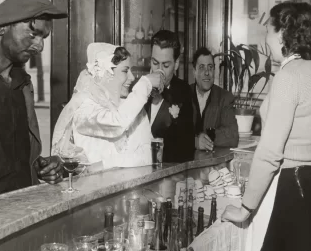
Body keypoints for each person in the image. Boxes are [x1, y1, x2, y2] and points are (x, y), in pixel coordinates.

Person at [222, 1, 311, 251]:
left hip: (290, 190)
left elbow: (270, 151)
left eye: (269, 29)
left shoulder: (288, 76)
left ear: (282, 34)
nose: (266, 38)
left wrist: (245, 208)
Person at [0, 0, 68, 198]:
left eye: (43, 38)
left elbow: (12, 155)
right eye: (33, 34)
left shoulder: (22, 84)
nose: (39, 47)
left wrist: (43, 166)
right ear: (2, 27)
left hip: (22, 212)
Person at [52, 43, 165, 170]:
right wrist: (145, 83)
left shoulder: (133, 107)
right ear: (106, 74)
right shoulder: (84, 109)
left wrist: (105, 164)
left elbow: (147, 157)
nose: (132, 77)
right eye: (125, 71)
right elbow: (116, 124)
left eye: (131, 70)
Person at [145, 30, 195, 163]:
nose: (159, 70)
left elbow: (186, 148)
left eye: (166, 65)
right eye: (155, 63)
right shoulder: (139, 87)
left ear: (176, 64)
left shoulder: (183, 92)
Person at [191, 47, 239, 150]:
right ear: (194, 71)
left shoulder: (225, 98)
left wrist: (205, 138)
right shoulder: (184, 94)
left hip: (213, 163)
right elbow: (173, 133)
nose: (207, 72)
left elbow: (232, 136)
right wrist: (194, 141)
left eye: (210, 67)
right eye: (202, 67)